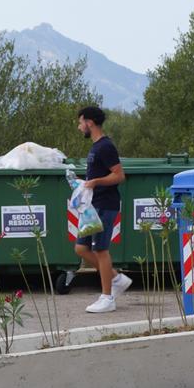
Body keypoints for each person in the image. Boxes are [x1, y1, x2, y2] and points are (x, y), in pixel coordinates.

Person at [74, 105, 131, 313]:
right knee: (81, 248)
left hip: (105, 205)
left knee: (100, 249)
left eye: (81, 123)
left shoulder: (106, 146)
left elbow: (119, 175)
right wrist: (83, 184)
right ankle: (116, 278)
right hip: (92, 205)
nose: (80, 127)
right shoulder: (95, 147)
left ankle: (107, 298)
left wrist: (96, 181)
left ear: (89, 122)